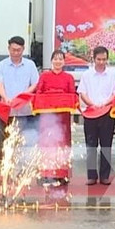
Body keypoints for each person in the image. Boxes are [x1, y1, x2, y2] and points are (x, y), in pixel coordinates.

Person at [78, 46, 115, 185]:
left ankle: (105, 176)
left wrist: (105, 104)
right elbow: (82, 93)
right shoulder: (87, 75)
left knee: (106, 145)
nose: (101, 62)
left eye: (104, 59)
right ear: (93, 59)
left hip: (107, 113)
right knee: (91, 145)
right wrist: (92, 104)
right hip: (90, 113)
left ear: (107, 59)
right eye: (98, 59)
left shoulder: (113, 75)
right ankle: (91, 175)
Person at [36, 50, 76, 186]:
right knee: (47, 143)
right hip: (47, 116)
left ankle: (62, 174)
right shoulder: (44, 76)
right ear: (51, 61)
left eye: (60, 59)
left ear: (64, 62)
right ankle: (46, 174)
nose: (58, 61)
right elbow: (39, 93)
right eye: (55, 59)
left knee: (62, 143)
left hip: (63, 117)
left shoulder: (69, 77)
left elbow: (72, 95)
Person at [0, 36, 40, 144]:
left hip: (26, 110)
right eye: (13, 50)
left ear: (23, 49)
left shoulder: (30, 65)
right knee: (8, 141)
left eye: (18, 50)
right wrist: (5, 97)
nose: (15, 53)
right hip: (8, 110)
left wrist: (24, 95)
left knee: (27, 140)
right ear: (8, 49)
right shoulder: (1, 65)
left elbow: (35, 83)